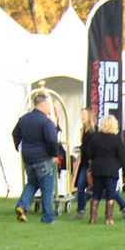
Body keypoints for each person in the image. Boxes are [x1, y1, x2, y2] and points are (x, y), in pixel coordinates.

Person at [12, 93, 64, 224]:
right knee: (47, 188)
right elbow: (52, 140)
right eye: (49, 105)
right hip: (43, 158)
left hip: (28, 157)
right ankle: (47, 217)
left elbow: (15, 133)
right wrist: (54, 154)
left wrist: (18, 147)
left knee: (32, 183)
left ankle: (22, 206)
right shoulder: (46, 121)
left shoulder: (24, 119)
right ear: (44, 105)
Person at [82, 114, 125, 224]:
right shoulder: (116, 140)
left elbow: (89, 153)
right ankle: (108, 218)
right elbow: (122, 157)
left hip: (97, 169)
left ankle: (93, 218)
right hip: (111, 170)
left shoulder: (95, 137)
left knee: (96, 193)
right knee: (110, 193)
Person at [71, 108, 95, 220]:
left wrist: (83, 149)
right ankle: (81, 210)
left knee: (102, 188)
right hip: (85, 163)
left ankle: (124, 207)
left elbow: (91, 147)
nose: (81, 116)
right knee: (80, 186)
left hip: (91, 164)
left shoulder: (92, 131)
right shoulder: (83, 130)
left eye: (83, 114)